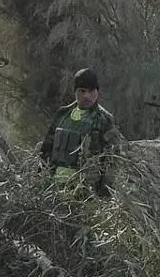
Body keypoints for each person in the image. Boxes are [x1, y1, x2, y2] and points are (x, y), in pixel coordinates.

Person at [40, 67, 122, 197]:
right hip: (55, 188)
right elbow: (46, 150)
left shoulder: (104, 120)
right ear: (75, 92)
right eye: (82, 91)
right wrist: (42, 181)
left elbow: (113, 160)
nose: (86, 96)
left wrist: (103, 196)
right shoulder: (62, 115)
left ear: (97, 92)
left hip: (85, 193)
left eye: (91, 91)